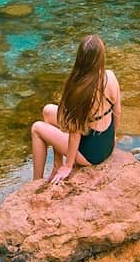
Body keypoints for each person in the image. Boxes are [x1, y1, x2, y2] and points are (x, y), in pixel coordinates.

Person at [31, 34, 121, 186]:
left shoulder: (79, 89)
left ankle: (36, 182)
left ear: (80, 58)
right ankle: (56, 165)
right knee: (48, 111)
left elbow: (75, 133)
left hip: (90, 154)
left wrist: (69, 165)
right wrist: (112, 138)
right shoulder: (110, 76)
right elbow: (117, 112)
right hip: (106, 144)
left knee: (37, 128)